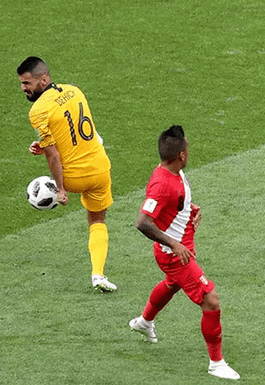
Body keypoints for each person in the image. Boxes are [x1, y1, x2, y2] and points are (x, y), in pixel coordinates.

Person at [129, 125, 240, 380]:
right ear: (180, 155)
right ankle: (216, 363)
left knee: (171, 285)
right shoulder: (161, 184)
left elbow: (175, 199)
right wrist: (174, 244)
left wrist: (187, 208)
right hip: (173, 254)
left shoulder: (173, 172)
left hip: (181, 246)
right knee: (210, 299)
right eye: (187, 148)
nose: (189, 152)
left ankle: (145, 322)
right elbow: (143, 222)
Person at [17, 56, 117, 291]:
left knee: (50, 181)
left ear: (44, 79)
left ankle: (98, 276)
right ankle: (98, 274)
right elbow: (78, 134)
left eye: (27, 83)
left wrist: (61, 189)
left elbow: (54, 155)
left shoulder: (38, 110)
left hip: (73, 177)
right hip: (101, 168)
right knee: (97, 220)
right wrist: (42, 147)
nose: (23, 89)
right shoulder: (74, 91)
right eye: (21, 83)